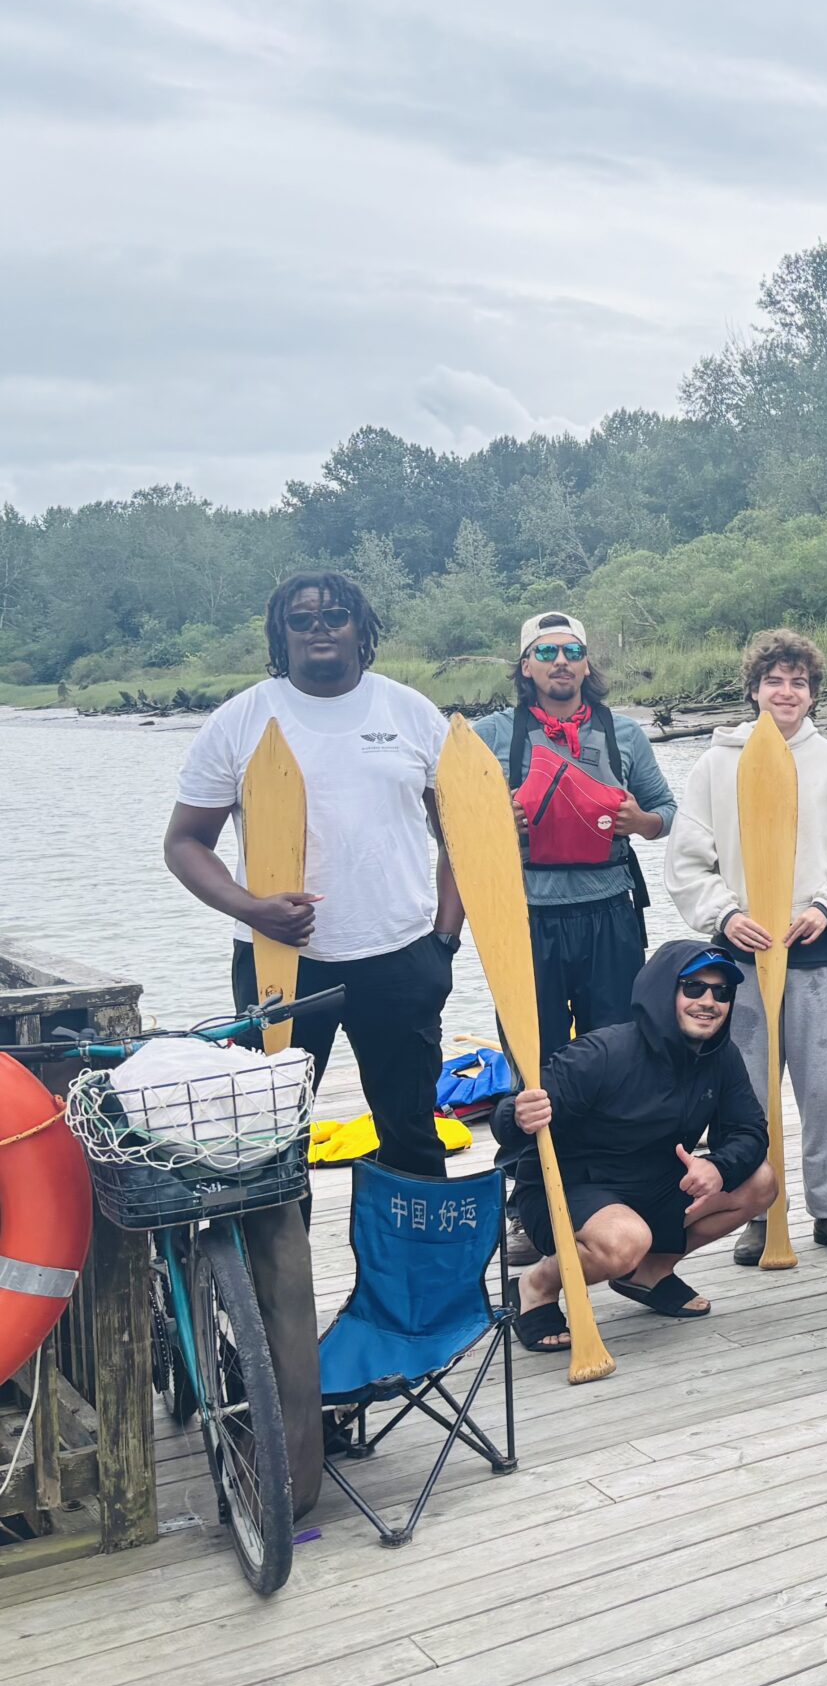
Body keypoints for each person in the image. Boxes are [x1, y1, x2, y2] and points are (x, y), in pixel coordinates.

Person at [163, 570, 463, 1517]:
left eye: (336, 616)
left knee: (413, 1139)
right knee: (266, 1160)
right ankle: (276, 1355)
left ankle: (413, 1322)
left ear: (363, 630)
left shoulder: (413, 714)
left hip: (401, 961)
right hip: (285, 972)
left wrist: (445, 939)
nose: (320, 629)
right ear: (280, 635)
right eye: (301, 619)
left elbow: (471, 836)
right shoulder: (245, 720)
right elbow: (185, 842)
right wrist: (253, 907)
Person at [472, 610, 676, 1267]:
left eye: (573, 651)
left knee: (615, 1056)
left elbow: (664, 815)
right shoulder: (493, 737)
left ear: (587, 664)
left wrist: (637, 820)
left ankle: (609, 1188)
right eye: (547, 651)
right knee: (533, 1061)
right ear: (525, 666)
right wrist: (489, 816)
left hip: (610, 912)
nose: (561, 661)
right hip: (525, 916)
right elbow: (443, 812)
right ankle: (531, 1202)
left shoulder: (623, 735)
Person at [664, 628, 827, 1262]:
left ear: (813, 694)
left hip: (814, 953)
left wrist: (824, 907)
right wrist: (725, 916)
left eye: (799, 682)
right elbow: (687, 862)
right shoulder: (714, 765)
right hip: (741, 961)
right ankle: (759, 1207)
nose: (787, 692)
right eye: (775, 681)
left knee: (823, 1087)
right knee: (746, 1094)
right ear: (754, 689)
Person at [494, 943, 777, 1350]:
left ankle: (649, 1272)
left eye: (721, 993)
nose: (708, 1001)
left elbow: (749, 1131)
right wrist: (518, 1114)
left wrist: (717, 1166)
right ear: (664, 991)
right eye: (694, 988)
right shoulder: (601, 1053)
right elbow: (511, 1119)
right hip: (571, 1192)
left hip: (656, 1186)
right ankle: (536, 1285)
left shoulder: (721, 1058)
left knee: (760, 1181)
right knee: (627, 1238)